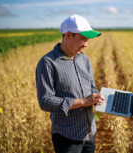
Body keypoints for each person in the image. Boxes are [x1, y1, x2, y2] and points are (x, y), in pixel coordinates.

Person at [35, 14, 105, 153]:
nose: (86, 44)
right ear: (68, 35)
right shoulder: (48, 63)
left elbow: (91, 86)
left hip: (90, 132)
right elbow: (45, 101)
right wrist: (84, 101)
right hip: (67, 138)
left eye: (87, 40)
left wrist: (98, 98)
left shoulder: (84, 60)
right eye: (83, 39)